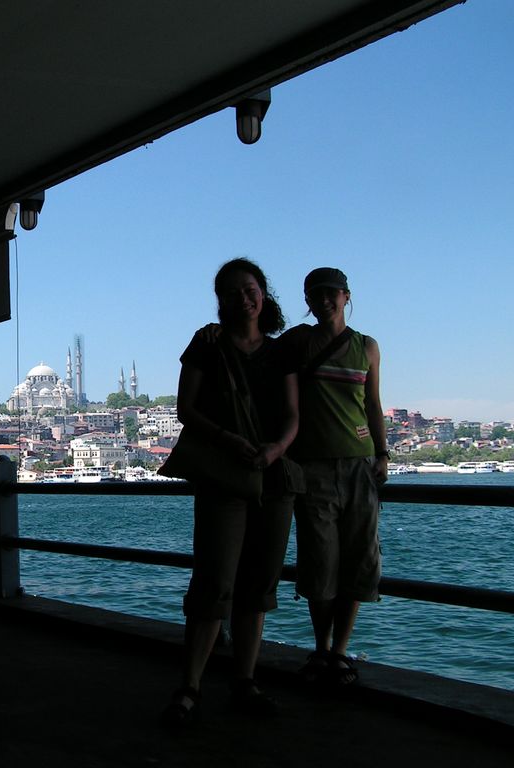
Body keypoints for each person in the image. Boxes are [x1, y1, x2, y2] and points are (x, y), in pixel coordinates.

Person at [160, 259, 299, 728]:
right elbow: (186, 410)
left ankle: (244, 679)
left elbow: (293, 416)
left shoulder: (281, 353)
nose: (244, 299)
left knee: (257, 584)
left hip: (272, 476)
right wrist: (231, 441)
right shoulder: (206, 345)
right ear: (221, 301)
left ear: (263, 293)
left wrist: (274, 450)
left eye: (250, 289)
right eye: (234, 292)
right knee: (214, 581)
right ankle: (191, 686)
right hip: (224, 474)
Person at [279, 267, 388, 686]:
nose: (324, 300)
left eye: (331, 293)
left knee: (358, 560)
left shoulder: (367, 348)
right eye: (315, 294)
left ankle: (338, 651)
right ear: (307, 300)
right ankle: (323, 647)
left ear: (345, 296)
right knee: (320, 562)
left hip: (359, 465)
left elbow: (373, 405)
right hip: (312, 467)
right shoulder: (297, 342)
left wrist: (382, 453)